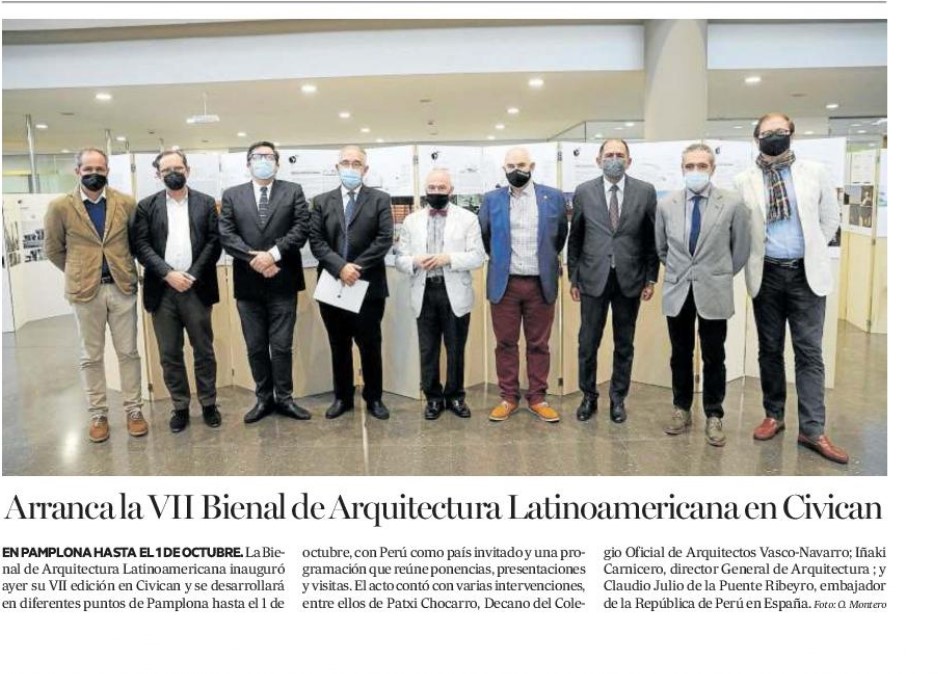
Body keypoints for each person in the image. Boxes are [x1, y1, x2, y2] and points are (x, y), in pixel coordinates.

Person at [734, 112, 847, 464]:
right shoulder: (743, 180)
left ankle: (812, 429)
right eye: (767, 132)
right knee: (769, 349)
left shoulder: (815, 172)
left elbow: (830, 218)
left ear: (791, 134)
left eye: (780, 131)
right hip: (766, 274)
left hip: (805, 275)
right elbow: (743, 228)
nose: (774, 136)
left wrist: (811, 250)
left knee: (809, 352)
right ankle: (774, 415)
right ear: (756, 138)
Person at [44, 147, 149, 442]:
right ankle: (98, 414)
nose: (94, 174)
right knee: (90, 356)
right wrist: (79, 271)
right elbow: (53, 249)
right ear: (77, 171)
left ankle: (134, 410)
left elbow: (135, 242)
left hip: (121, 288)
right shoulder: (60, 207)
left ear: (107, 171)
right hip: (84, 292)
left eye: (99, 169)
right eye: (88, 169)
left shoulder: (125, 203)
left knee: (128, 353)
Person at [655, 143, 750, 445]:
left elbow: (741, 250)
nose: (695, 171)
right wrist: (683, 271)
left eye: (701, 166)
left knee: (714, 356)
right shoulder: (666, 205)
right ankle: (681, 408)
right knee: (680, 354)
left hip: (714, 290)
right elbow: (661, 248)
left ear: (712, 168)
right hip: (678, 290)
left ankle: (714, 414)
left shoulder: (732, 204)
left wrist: (718, 273)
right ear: (682, 169)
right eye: (690, 166)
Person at [218, 141, 312, 424]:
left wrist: (272, 255)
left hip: (283, 279)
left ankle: (285, 398)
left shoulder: (293, 191)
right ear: (248, 163)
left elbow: (301, 229)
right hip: (248, 284)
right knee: (256, 346)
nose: (263, 161)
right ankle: (263, 399)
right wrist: (255, 259)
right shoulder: (232, 195)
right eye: (257, 157)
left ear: (277, 163)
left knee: (282, 346)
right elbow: (226, 234)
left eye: (268, 157)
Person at [567, 139, 658, 424]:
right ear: (598, 160)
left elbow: (651, 238)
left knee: (624, 344)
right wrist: (573, 277)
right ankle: (588, 396)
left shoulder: (645, 191)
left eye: (620, 155)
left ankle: (618, 399)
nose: (614, 159)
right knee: (587, 342)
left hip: (630, 279)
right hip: (592, 278)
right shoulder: (584, 191)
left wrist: (651, 277)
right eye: (609, 155)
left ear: (629, 160)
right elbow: (576, 237)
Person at [131, 149, 222, 433]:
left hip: (197, 287)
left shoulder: (206, 203)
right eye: (166, 170)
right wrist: (168, 274)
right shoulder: (146, 207)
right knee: (170, 352)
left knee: (203, 350)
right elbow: (141, 246)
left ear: (188, 170)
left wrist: (191, 274)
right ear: (157, 175)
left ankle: (209, 404)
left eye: (178, 168)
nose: (173, 173)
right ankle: (180, 406)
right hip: (162, 290)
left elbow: (214, 242)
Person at [480, 146, 568, 423]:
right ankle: (508, 397)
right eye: (510, 166)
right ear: (504, 169)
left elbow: (560, 236)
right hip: (505, 284)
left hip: (540, 284)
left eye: (521, 164)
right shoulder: (491, 200)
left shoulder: (553, 197)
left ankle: (538, 398)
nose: (516, 170)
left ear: (532, 166)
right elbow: (486, 237)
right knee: (505, 343)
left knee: (539, 344)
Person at [310, 145, 394, 420]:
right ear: (337, 167)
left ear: (365, 169)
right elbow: (317, 241)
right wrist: (340, 267)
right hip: (332, 285)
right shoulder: (321, 201)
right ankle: (342, 397)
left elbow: (384, 239)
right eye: (345, 162)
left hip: (367, 286)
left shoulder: (380, 199)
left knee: (370, 345)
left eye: (356, 163)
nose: (350, 167)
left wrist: (354, 268)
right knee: (339, 344)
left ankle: (374, 398)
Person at [394, 168, 485, 419]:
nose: (436, 191)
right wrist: (414, 261)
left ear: (451, 190)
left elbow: (478, 257)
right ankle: (433, 398)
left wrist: (448, 258)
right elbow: (400, 259)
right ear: (426, 190)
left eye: (441, 187)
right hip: (424, 292)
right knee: (428, 349)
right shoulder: (411, 221)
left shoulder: (468, 219)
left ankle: (455, 396)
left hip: (454, 291)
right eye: (432, 188)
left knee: (456, 349)